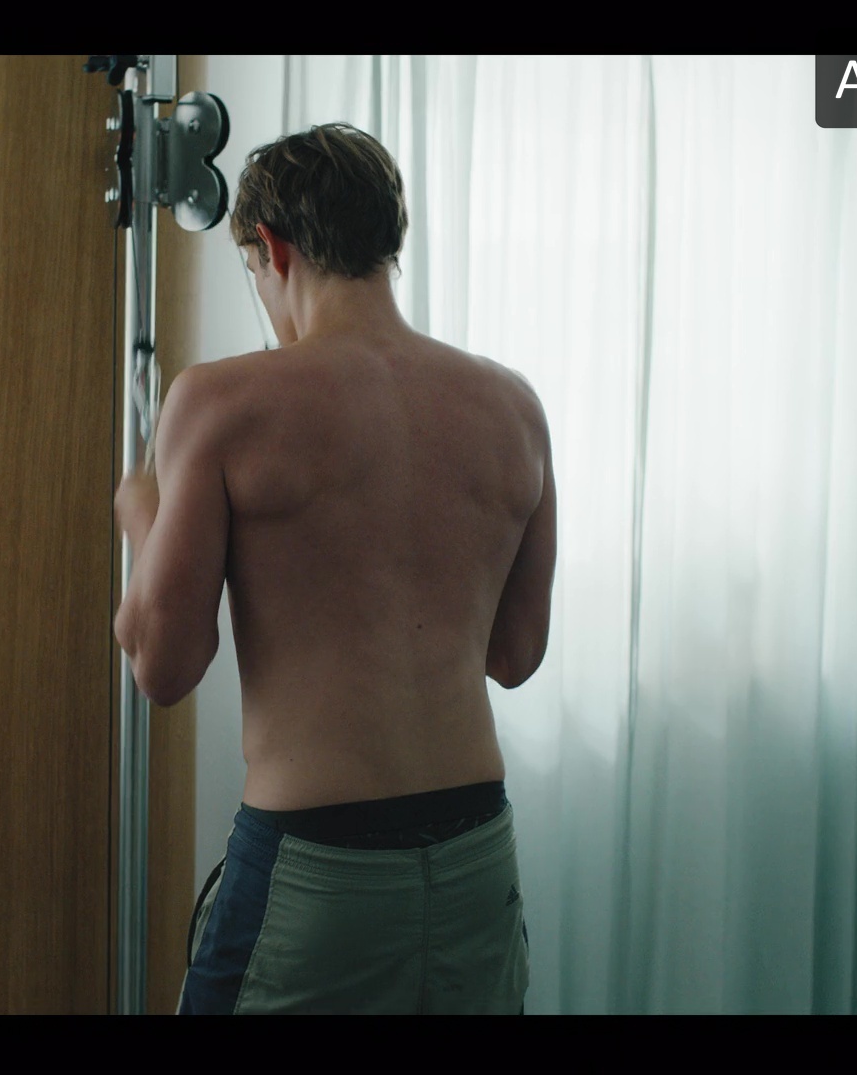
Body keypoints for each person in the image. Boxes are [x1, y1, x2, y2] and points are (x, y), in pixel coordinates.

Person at [114, 122, 555, 1015]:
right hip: (476, 860)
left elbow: (162, 668)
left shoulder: (222, 401)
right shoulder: (514, 406)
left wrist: (140, 512)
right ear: (387, 242)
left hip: (317, 873)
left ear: (271, 248)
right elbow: (514, 656)